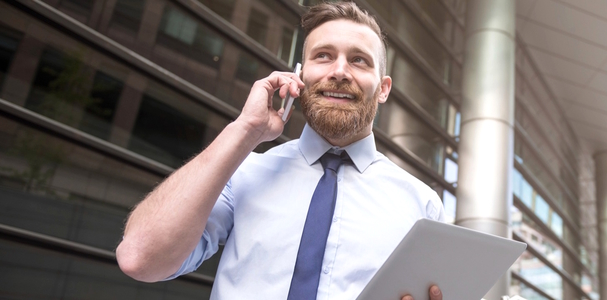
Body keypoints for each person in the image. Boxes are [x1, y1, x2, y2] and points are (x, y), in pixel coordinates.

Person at [115, 1, 445, 300]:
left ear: (383, 88)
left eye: (358, 60)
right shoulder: (242, 174)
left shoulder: (423, 206)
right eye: (323, 56)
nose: (340, 72)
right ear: (299, 76)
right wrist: (245, 131)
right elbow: (140, 260)